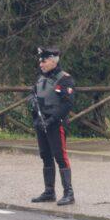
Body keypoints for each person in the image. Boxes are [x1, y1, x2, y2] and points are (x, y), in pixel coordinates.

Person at [29, 46, 76, 206]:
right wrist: (32, 104)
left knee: (60, 157)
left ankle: (69, 193)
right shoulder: (40, 78)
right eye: (40, 61)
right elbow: (34, 94)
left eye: (44, 61)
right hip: (41, 123)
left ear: (53, 61)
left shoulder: (64, 79)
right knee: (45, 156)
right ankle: (49, 191)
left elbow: (67, 104)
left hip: (56, 124)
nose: (41, 64)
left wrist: (52, 120)